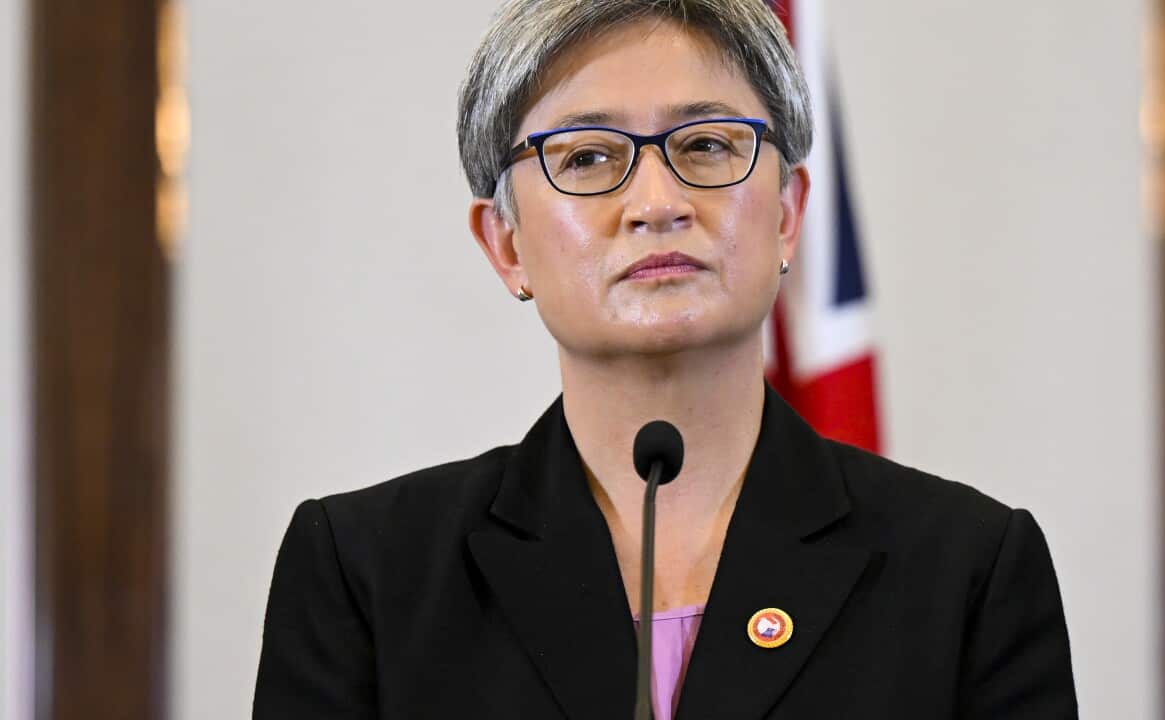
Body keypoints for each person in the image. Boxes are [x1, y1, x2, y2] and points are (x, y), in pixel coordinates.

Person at [252, 1, 1078, 717]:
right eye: (586, 157)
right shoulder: (366, 573)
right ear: (506, 245)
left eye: (708, 146)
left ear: (788, 215)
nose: (657, 203)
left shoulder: (968, 570)